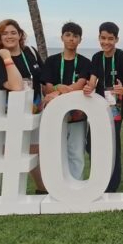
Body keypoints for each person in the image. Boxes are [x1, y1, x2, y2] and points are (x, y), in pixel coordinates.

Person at [0, 19, 46, 193]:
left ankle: (42, 188)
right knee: (12, 149)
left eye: (13, 32)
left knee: (35, 149)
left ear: (20, 35)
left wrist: (50, 94)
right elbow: (17, 86)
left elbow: (42, 79)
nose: (9, 36)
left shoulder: (31, 52)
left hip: (35, 109)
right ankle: (10, 190)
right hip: (12, 112)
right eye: (4, 33)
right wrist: (7, 58)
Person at [83, 22, 123, 192]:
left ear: (116, 39)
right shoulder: (96, 57)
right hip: (98, 108)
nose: (106, 42)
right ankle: (99, 179)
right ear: (99, 38)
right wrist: (89, 87)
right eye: (103, 38)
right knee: (92, 143)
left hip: (116, 109)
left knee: (113, 145)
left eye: (110, 38)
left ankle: (112, 185)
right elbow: (92, 80)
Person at [41, 22, 91, 180]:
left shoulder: (85, 62)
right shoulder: (51, 61)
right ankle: (58, 185)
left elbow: (79, 85)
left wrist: (59, 91)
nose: (71, 39)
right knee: (55, 150)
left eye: (75, 36)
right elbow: (47, 88)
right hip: (55, 115)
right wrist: (57, 87)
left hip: (78, 115)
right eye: (68, 35)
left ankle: (76, 185)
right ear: (62, 37)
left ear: (80, 40)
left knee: (76, 152)